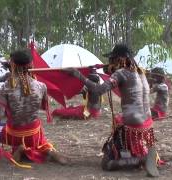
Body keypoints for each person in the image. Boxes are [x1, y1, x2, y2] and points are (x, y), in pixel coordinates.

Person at [64, 44, 159, 177]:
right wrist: (101, 69)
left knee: (107, 164)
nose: (111, 62)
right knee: (119, 121)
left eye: (113, 58)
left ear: (120, 58)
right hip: (147, 125)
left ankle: (140, 160)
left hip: (132, 126)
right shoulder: (140, 72)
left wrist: (78, 75)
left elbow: (98, 90)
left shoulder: (121, 73)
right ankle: (144, 154)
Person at [0, 50, 68, 167]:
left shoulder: (6, 87)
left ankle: (20, 150)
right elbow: (42, 107)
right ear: (31, 66)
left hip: (15, 134)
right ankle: (46, 150)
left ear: (12, 65)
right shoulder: (41, 86)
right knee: (39, 132)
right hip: (33, 133)